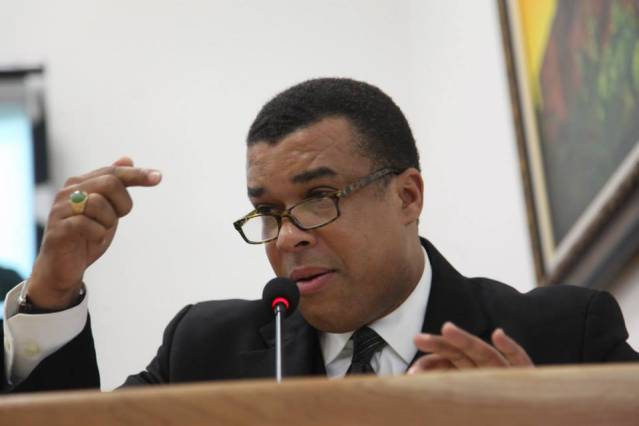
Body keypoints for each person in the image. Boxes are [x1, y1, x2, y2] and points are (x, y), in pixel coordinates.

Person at [2, 78, 637, 393]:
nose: (288, 239)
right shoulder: (203, 353)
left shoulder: (563, 341)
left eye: (318, 199)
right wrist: (53, 292)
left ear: (408, 196)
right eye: (268, 211)